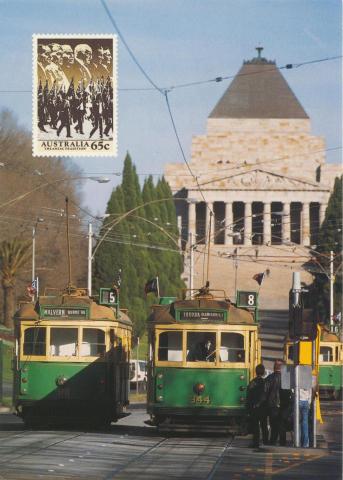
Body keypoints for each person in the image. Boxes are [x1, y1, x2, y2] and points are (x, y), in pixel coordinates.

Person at [264, 359, 292, 446]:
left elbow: (265, 392)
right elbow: (289, 393)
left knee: (273, 425)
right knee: (282, 424)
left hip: (272, 405)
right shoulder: (287, 379)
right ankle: (282, 442)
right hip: (284, 405)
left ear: (274, 367)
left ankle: (273, 441)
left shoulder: (269, 378)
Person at [246, 363, 268, 448]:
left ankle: (256, 442)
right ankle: (266, 441)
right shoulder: (265, 382)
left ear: (255, 372)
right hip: (263, 407)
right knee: (264, 425)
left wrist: (248, 408)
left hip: (254, 408)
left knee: (255, 426)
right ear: (263, 372)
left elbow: (248, 396)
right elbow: (266, 395)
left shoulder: (252, 383)